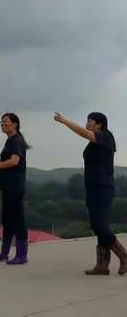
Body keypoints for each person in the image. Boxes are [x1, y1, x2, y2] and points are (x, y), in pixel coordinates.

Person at [54, 111, 127, 276]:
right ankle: (102, 265)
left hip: (103, 188)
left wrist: (64, 120)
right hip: (94, 188)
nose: (87, 124)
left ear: (99, 124)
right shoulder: (98, 138)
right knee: (97, 225)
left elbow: (83, 133)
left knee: (99, 224)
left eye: (89, 121)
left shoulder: (105, 136)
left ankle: (123, 255)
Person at [0, 113, 30, 265]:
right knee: (7, 219)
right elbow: (8, 160)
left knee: (17, 220)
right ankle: (4, 252)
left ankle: (22, 255)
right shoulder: (10, 140)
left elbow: (14, 161)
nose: (3, 124)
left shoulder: (16, 140)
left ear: (15, 124)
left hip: (15, 186)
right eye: (1, 122)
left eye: (6, 122)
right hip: (8, 186)